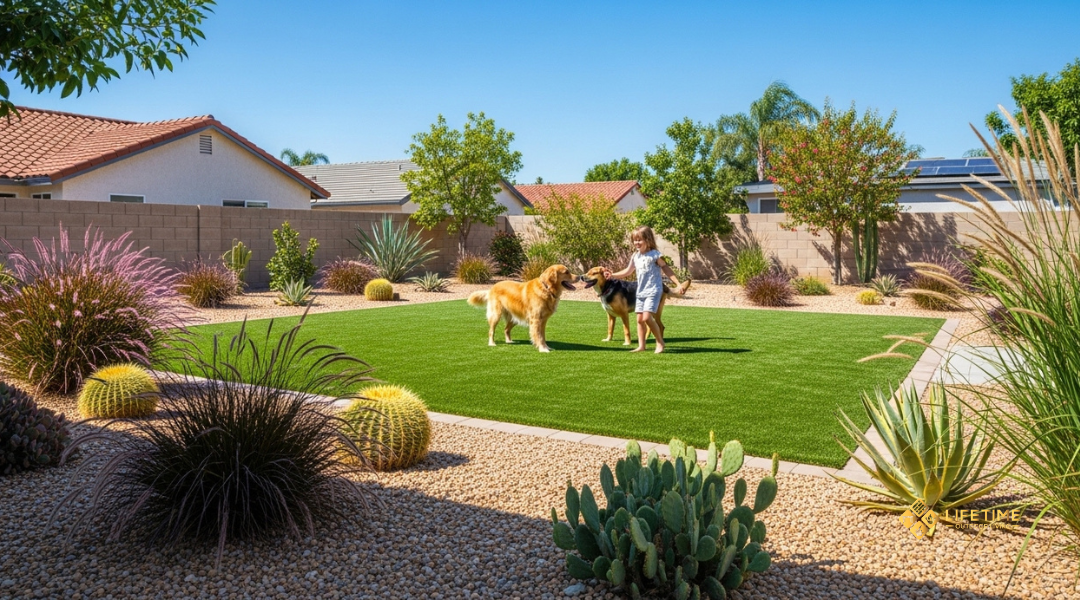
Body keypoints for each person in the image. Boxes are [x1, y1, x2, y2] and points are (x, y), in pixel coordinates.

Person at [604, 226, 685, 353]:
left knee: (647, 318)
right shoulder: (635, 256)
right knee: (639, 320)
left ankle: (660, 343)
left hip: (654, 290)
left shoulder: (655, 255)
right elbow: (628, 271)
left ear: (648, 239)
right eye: (634, 240)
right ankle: (642, 346)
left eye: (639, 240)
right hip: (640, 291)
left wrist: (678, 284)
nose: (636, 243)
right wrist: (612, 275)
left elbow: (666, 269)